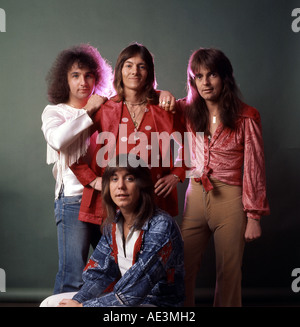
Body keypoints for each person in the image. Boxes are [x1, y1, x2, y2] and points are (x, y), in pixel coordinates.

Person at [178, 48, 270, 306]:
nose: (205, 82)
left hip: (230, 197)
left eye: (212, 74)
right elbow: (154, 106)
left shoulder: (246, 115)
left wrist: (254, 216)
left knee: (228, 273)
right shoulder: (186, 111)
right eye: (198, 76)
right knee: (181, 266)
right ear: (192, 81)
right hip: (194, 194)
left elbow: (254, 167)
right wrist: (162, 95)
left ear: (225, 77)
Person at [40, 154, 185, 307]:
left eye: (129, 179)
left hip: (155, 304)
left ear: (142, 185)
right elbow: (98, 273)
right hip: (122, 299)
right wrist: (77, 300)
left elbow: (133, 292)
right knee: (50, 303)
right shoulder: (114, 223)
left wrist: (83, 307)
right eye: (114, 179)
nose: (120, 186)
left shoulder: (161, 226)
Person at [70, 43, 187, 229]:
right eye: (129, 65)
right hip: (112, 202)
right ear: (120, 71)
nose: (135, 71)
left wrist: (177, 174)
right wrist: (91, 179)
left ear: (149, 72)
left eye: (142, 66)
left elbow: (193, 142)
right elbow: (70, 145)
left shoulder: (164, 108)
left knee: (151, 256)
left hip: (154, 199)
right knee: (116, 256)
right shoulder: (105, 109)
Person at [41, 44, 113, 294]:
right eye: (75, 75)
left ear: (97, 77)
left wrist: (164, 95)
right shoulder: (55, 112)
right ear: (65, 79)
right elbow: (59, 140)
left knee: (115, 268)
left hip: (106, 198)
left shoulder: (107, 109)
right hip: (72, 200)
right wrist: (88, 110)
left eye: (89, 75)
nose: (83, 81)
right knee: (73, 274)